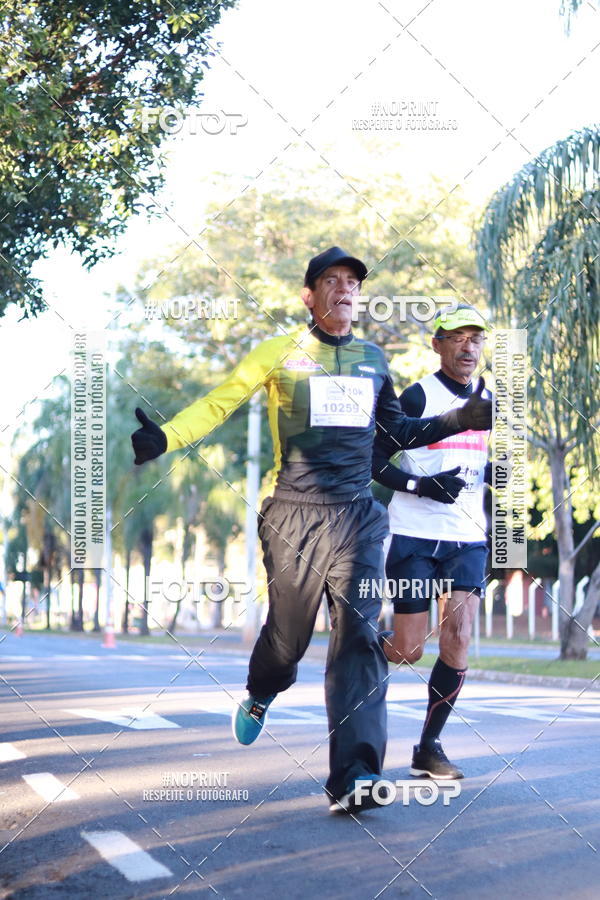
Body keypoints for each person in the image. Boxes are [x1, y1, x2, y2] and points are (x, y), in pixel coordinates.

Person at [131, 249, 492, 813]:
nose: (344, 288)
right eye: (331, 280)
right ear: (309, 295)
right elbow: (220, 404)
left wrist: (456, 420)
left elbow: (396, 432)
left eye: (352, 281)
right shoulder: (279, 353)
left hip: (358, 519)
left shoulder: (373, 359)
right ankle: (261, 690)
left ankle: (356, 776)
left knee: (359, 640)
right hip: (294, 516)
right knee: (287, 642)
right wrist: (167, 437)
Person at [372, 303, 491, 780]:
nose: (468, 347)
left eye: (475, 338)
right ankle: (362, 641)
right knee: (408, 650)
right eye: (457, 337)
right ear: (437, 344)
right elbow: (375, 460)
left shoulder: (492, 399)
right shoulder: (418, 396)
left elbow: (496, 464)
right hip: (415, 535)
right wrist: (421, 485)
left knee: (458, 638)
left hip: (467, 537)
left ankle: (428, 747)